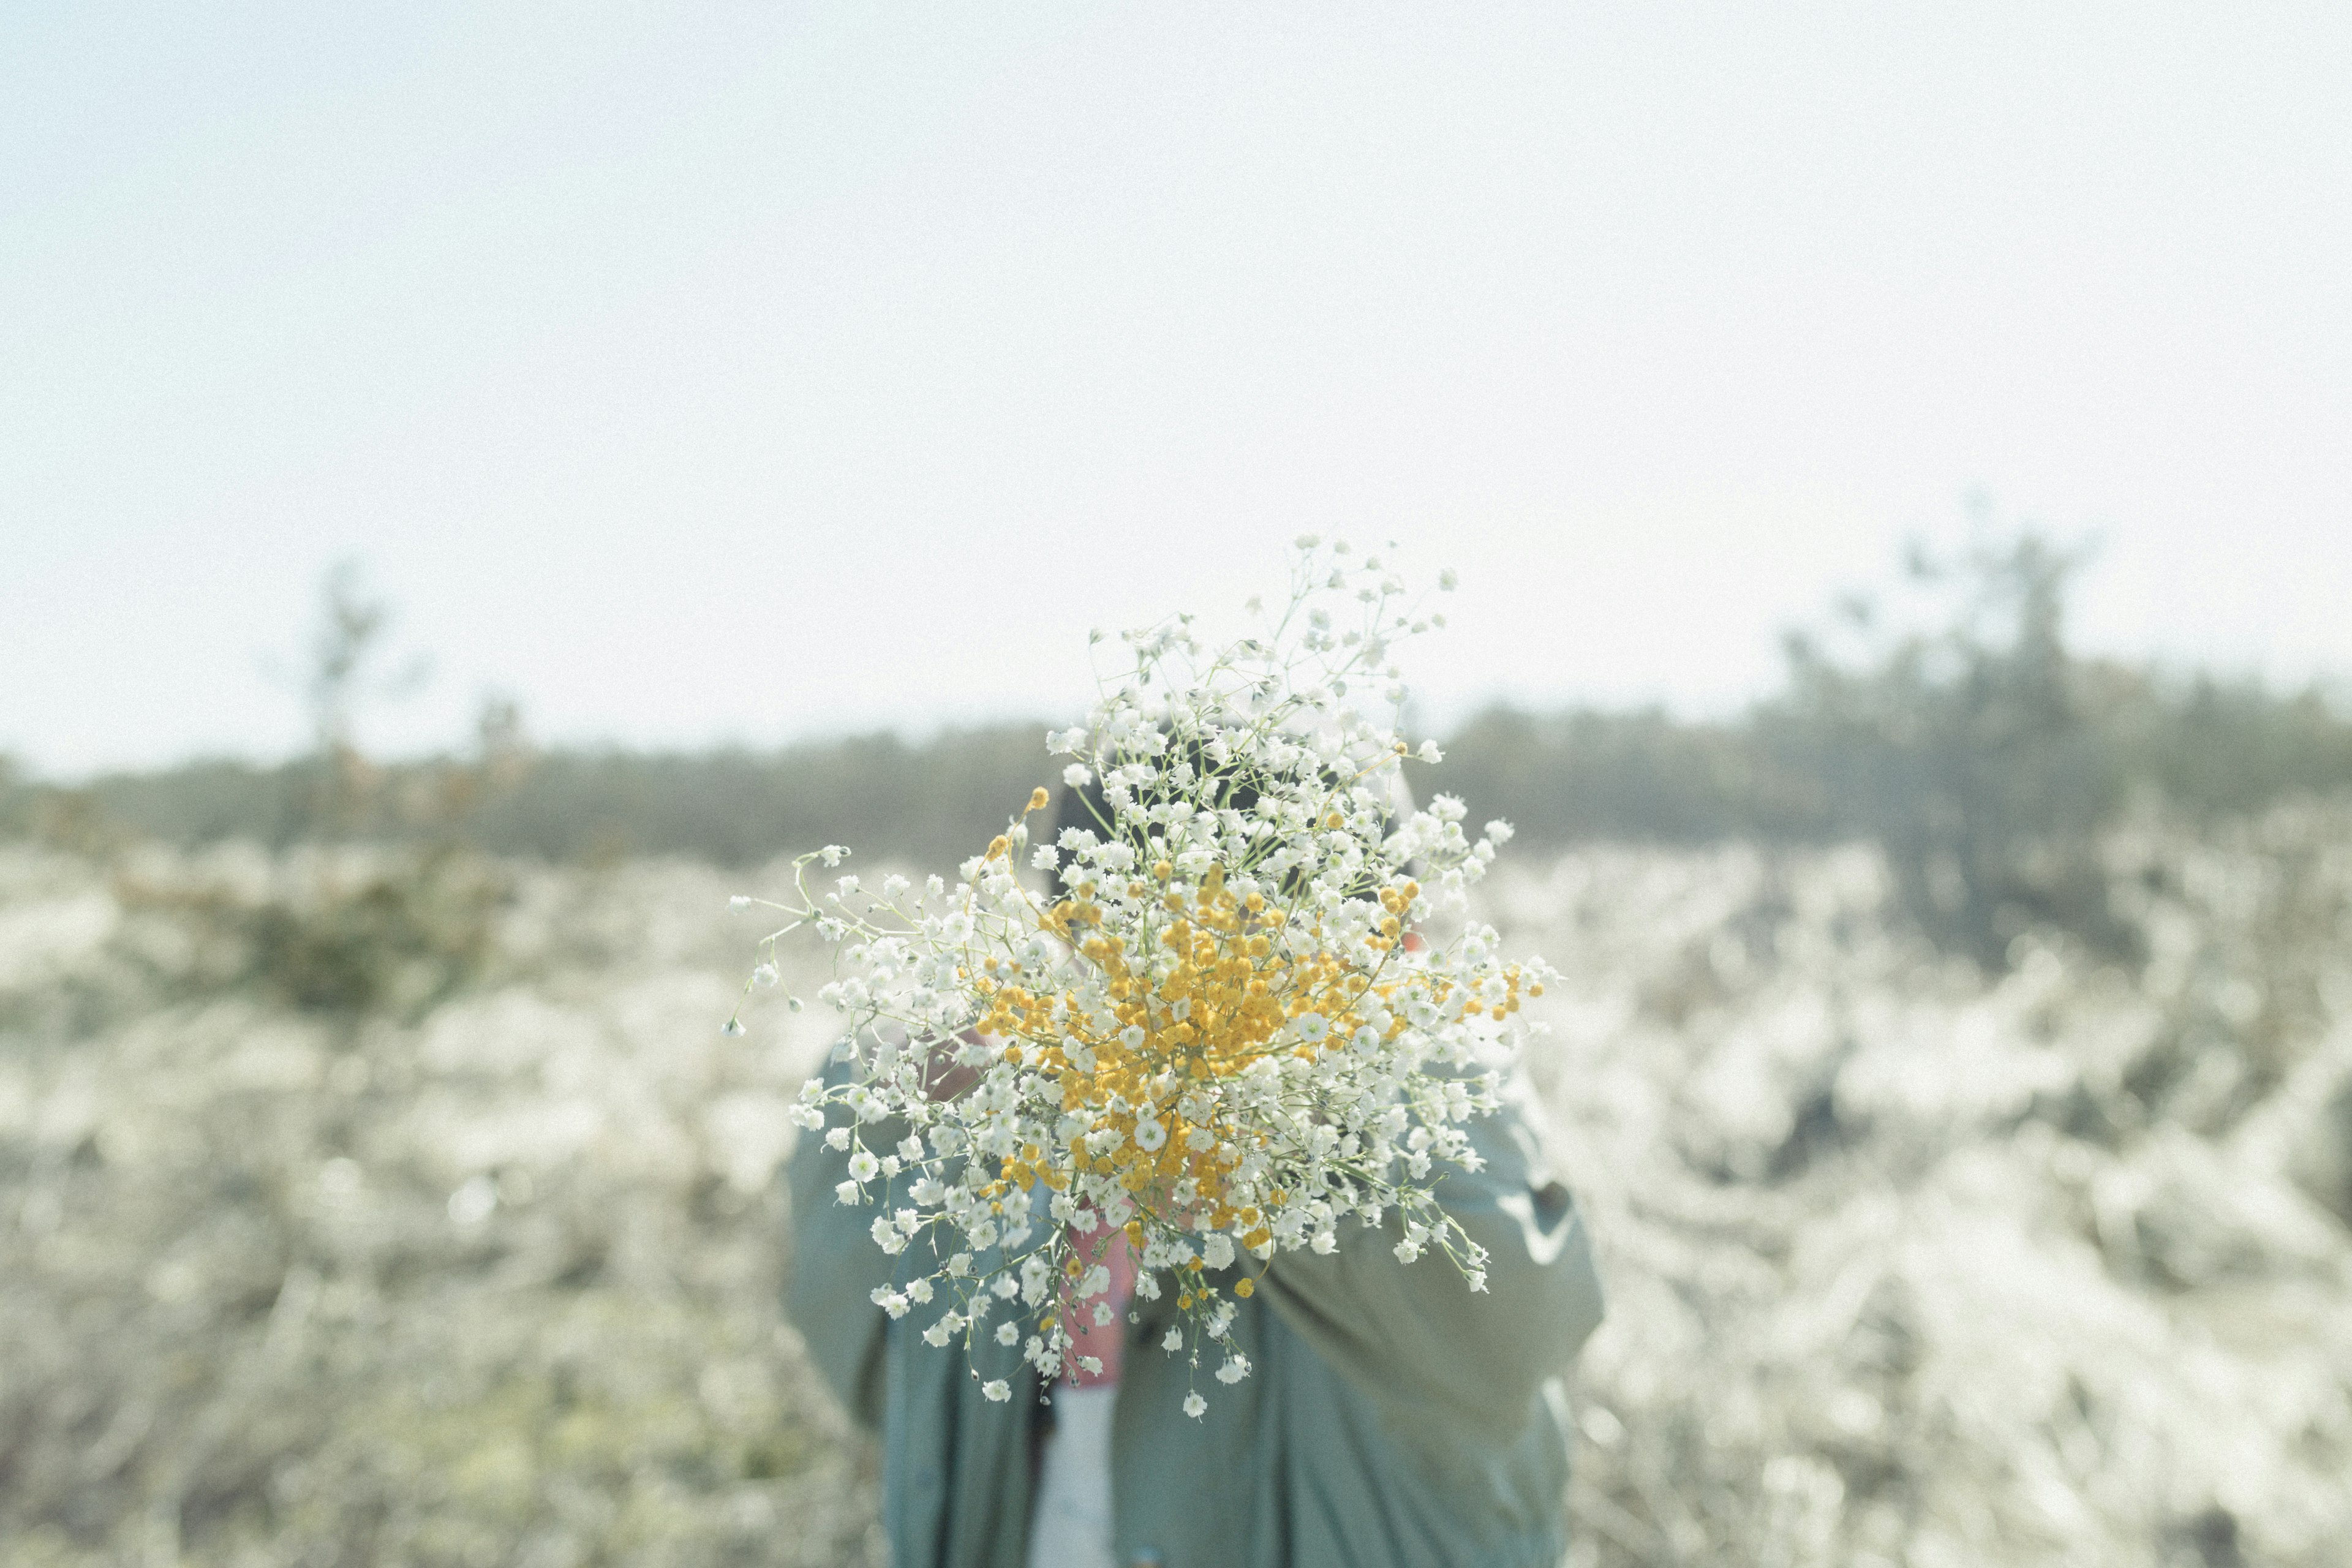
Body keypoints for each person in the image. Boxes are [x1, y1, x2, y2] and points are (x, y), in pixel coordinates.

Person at [780, 781, 1605, 1568]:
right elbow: (876, 1364)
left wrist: (1260, 1134)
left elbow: (1507, 1312)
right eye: (1137, 957)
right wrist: (881, 1083)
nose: (1188, 1024)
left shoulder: (1409, 1165)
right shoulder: (1010, 1181)